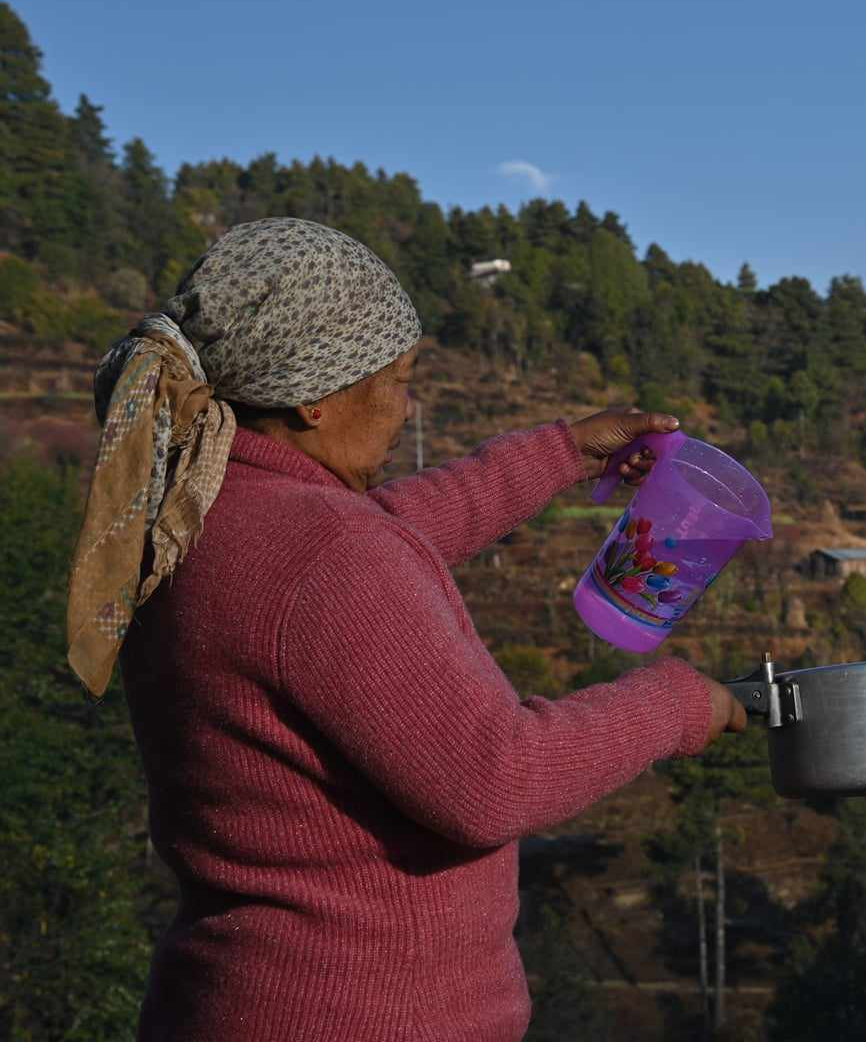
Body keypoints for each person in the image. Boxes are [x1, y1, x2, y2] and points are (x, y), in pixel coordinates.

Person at [65, 217, 747, 1041]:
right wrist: (675, 706)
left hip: (237, 998)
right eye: (397, 378)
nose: (407, 403)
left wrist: (565, 453)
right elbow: (498, 780)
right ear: (317, 396)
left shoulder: (202, 511)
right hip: (361, 1014)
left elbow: (383, 537)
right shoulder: (325, 553)